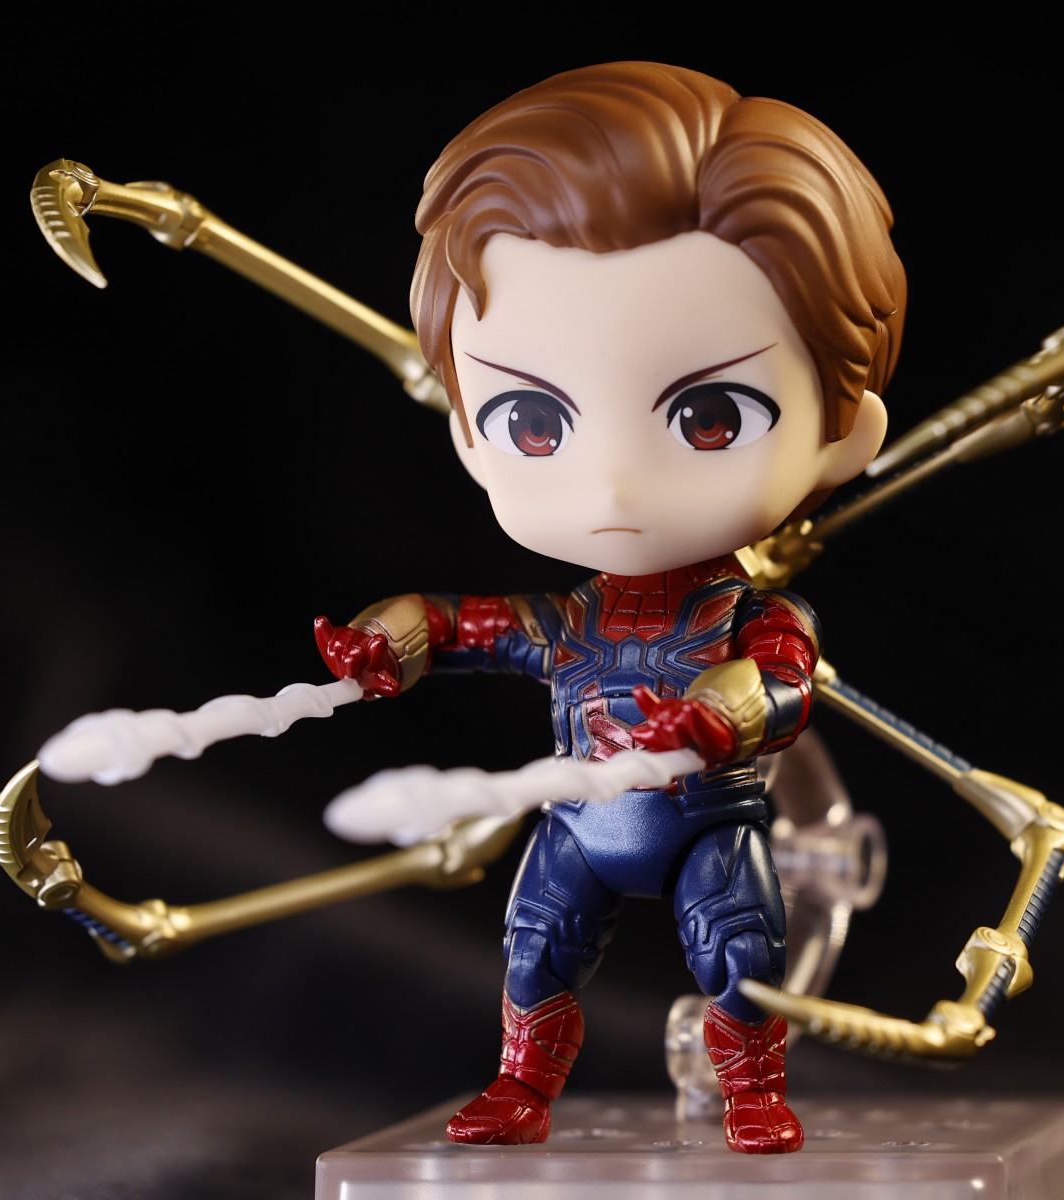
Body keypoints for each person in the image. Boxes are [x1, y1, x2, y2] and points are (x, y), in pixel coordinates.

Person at [312, 61, 905, 1155]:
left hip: (707, 822)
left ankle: (752, 1091)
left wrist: (717, 715)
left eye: (712, 418)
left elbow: (784, 684)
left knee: (739, 950)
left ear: (845, 436)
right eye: (536, 425)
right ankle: (520, 1088)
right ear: (471, 436)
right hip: (581, 825)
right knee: (533, 948)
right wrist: (387, 642)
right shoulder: (568, 623)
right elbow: (458, 625)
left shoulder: (745, 617)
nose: (615, 487)